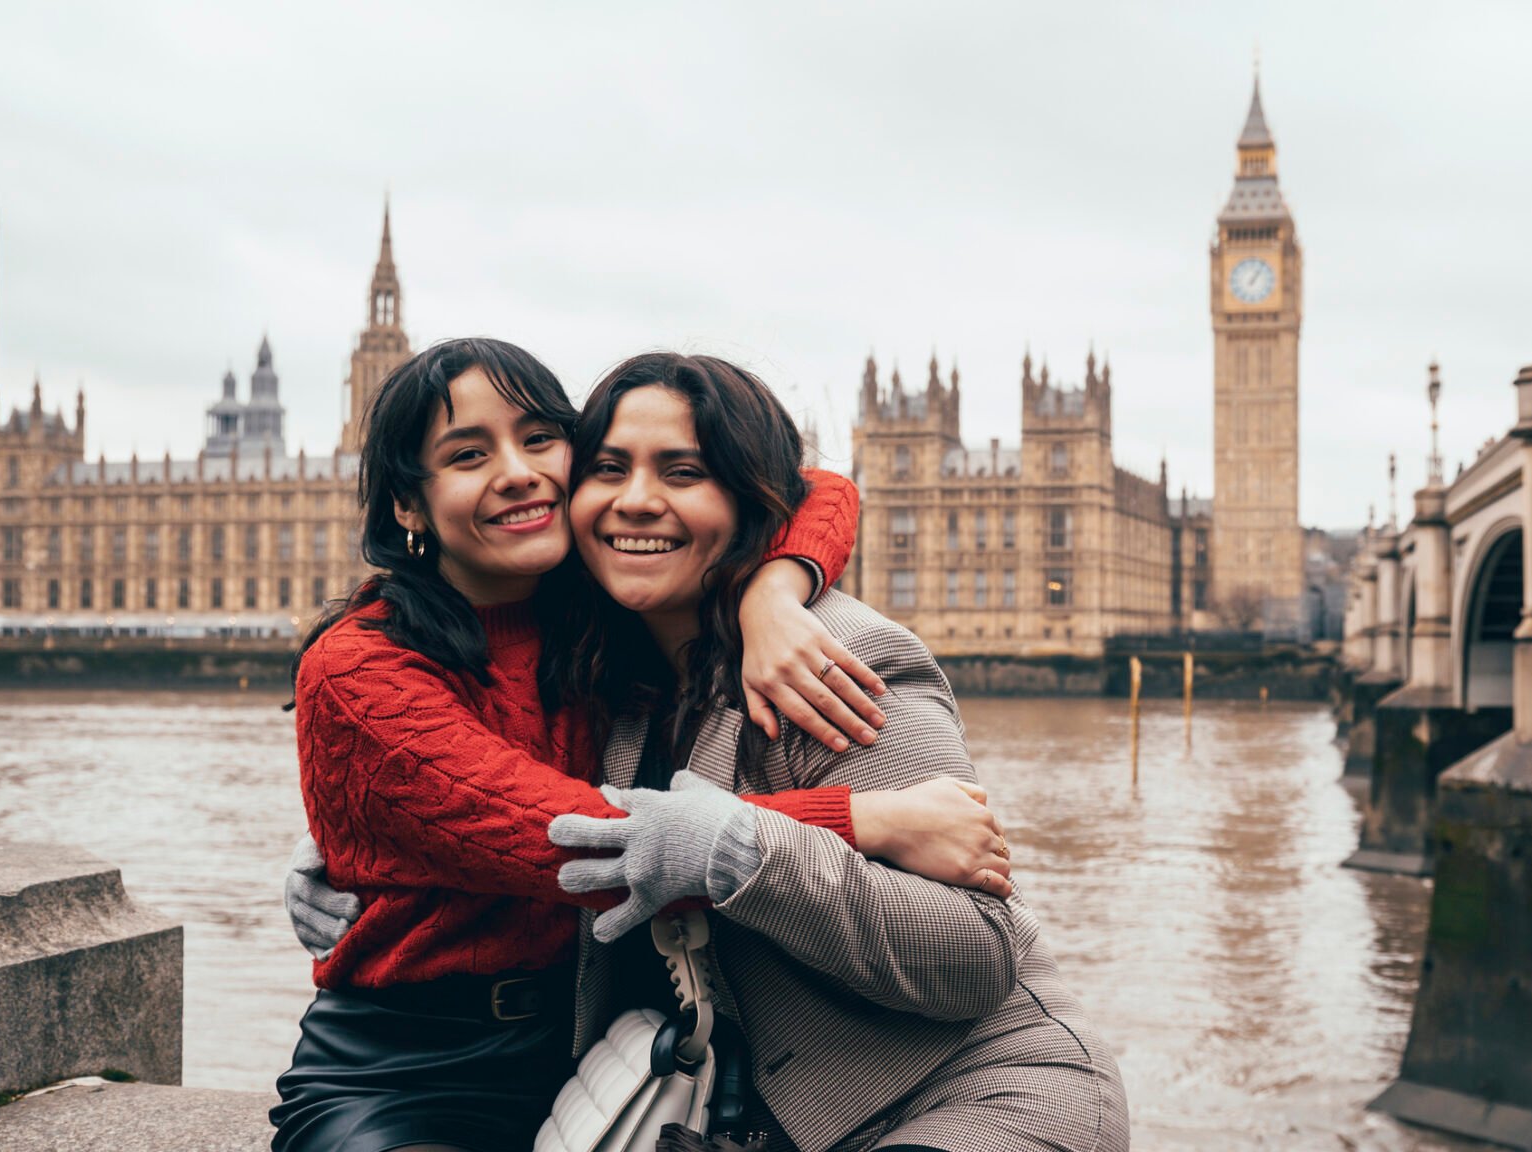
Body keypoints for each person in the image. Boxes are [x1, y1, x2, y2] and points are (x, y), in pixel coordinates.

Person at [272, 338, 1011, 1152]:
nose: (517, 472)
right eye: (468, 454)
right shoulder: (360, 664)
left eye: (539, 440)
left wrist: (775, 587)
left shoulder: (588, 607)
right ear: (407, 504)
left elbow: (818, 488)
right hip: (407, 1072)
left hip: (584, 1046)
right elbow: (588, 841)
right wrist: (864, 819)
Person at [542, 352, 1129, 1152]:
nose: (638, 500)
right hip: (747, 1115)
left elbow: (976, 954)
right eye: (609, 468)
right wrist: (374, 854)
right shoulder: (597, 674)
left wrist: (744, 850)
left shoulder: (835, 664)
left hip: (967, 1101)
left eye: (684, 472)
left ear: (751, 502)